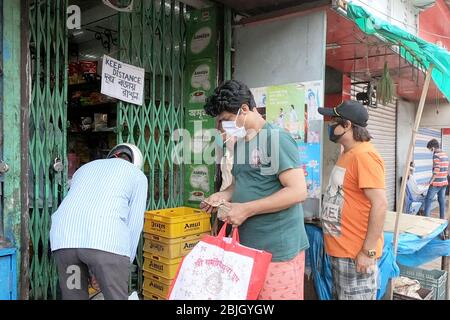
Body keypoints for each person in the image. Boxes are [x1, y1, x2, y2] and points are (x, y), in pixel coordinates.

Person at [200, 80, 309, 300]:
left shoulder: (276, 139)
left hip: (277, 249)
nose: (222, 127)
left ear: (245, 109)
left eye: (226, 120)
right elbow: (241, 182)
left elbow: (298, 191)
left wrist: (246, 209)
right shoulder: (241, 142)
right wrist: (223, 195)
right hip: (247, 248)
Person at [50, 143, 148, 300]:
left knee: (73, 296)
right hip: (106, 243)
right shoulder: (137, 176)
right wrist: (124, 262)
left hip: (64, 241)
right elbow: (134, 224)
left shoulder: (84, 169)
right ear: (135, 163)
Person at [318, 100, 388, 300]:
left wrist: (368, 252)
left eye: (334, 121)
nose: (330, 126)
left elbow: (380, 204)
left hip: (355, 254)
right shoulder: (348, 153)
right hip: (341, 251)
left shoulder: (365, 156)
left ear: (347, 125)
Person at [424, 139, 449, 219]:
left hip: (436, 183)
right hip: (444, 182)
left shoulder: (436, 155)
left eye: (430, 149)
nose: (431, 151)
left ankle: (426, 219)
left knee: (428, 200)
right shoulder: (445, 154)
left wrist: (430, 182)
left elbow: (436, 170)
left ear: (433, 147)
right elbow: (447, 169)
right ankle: (442, 219)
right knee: (441, 201)